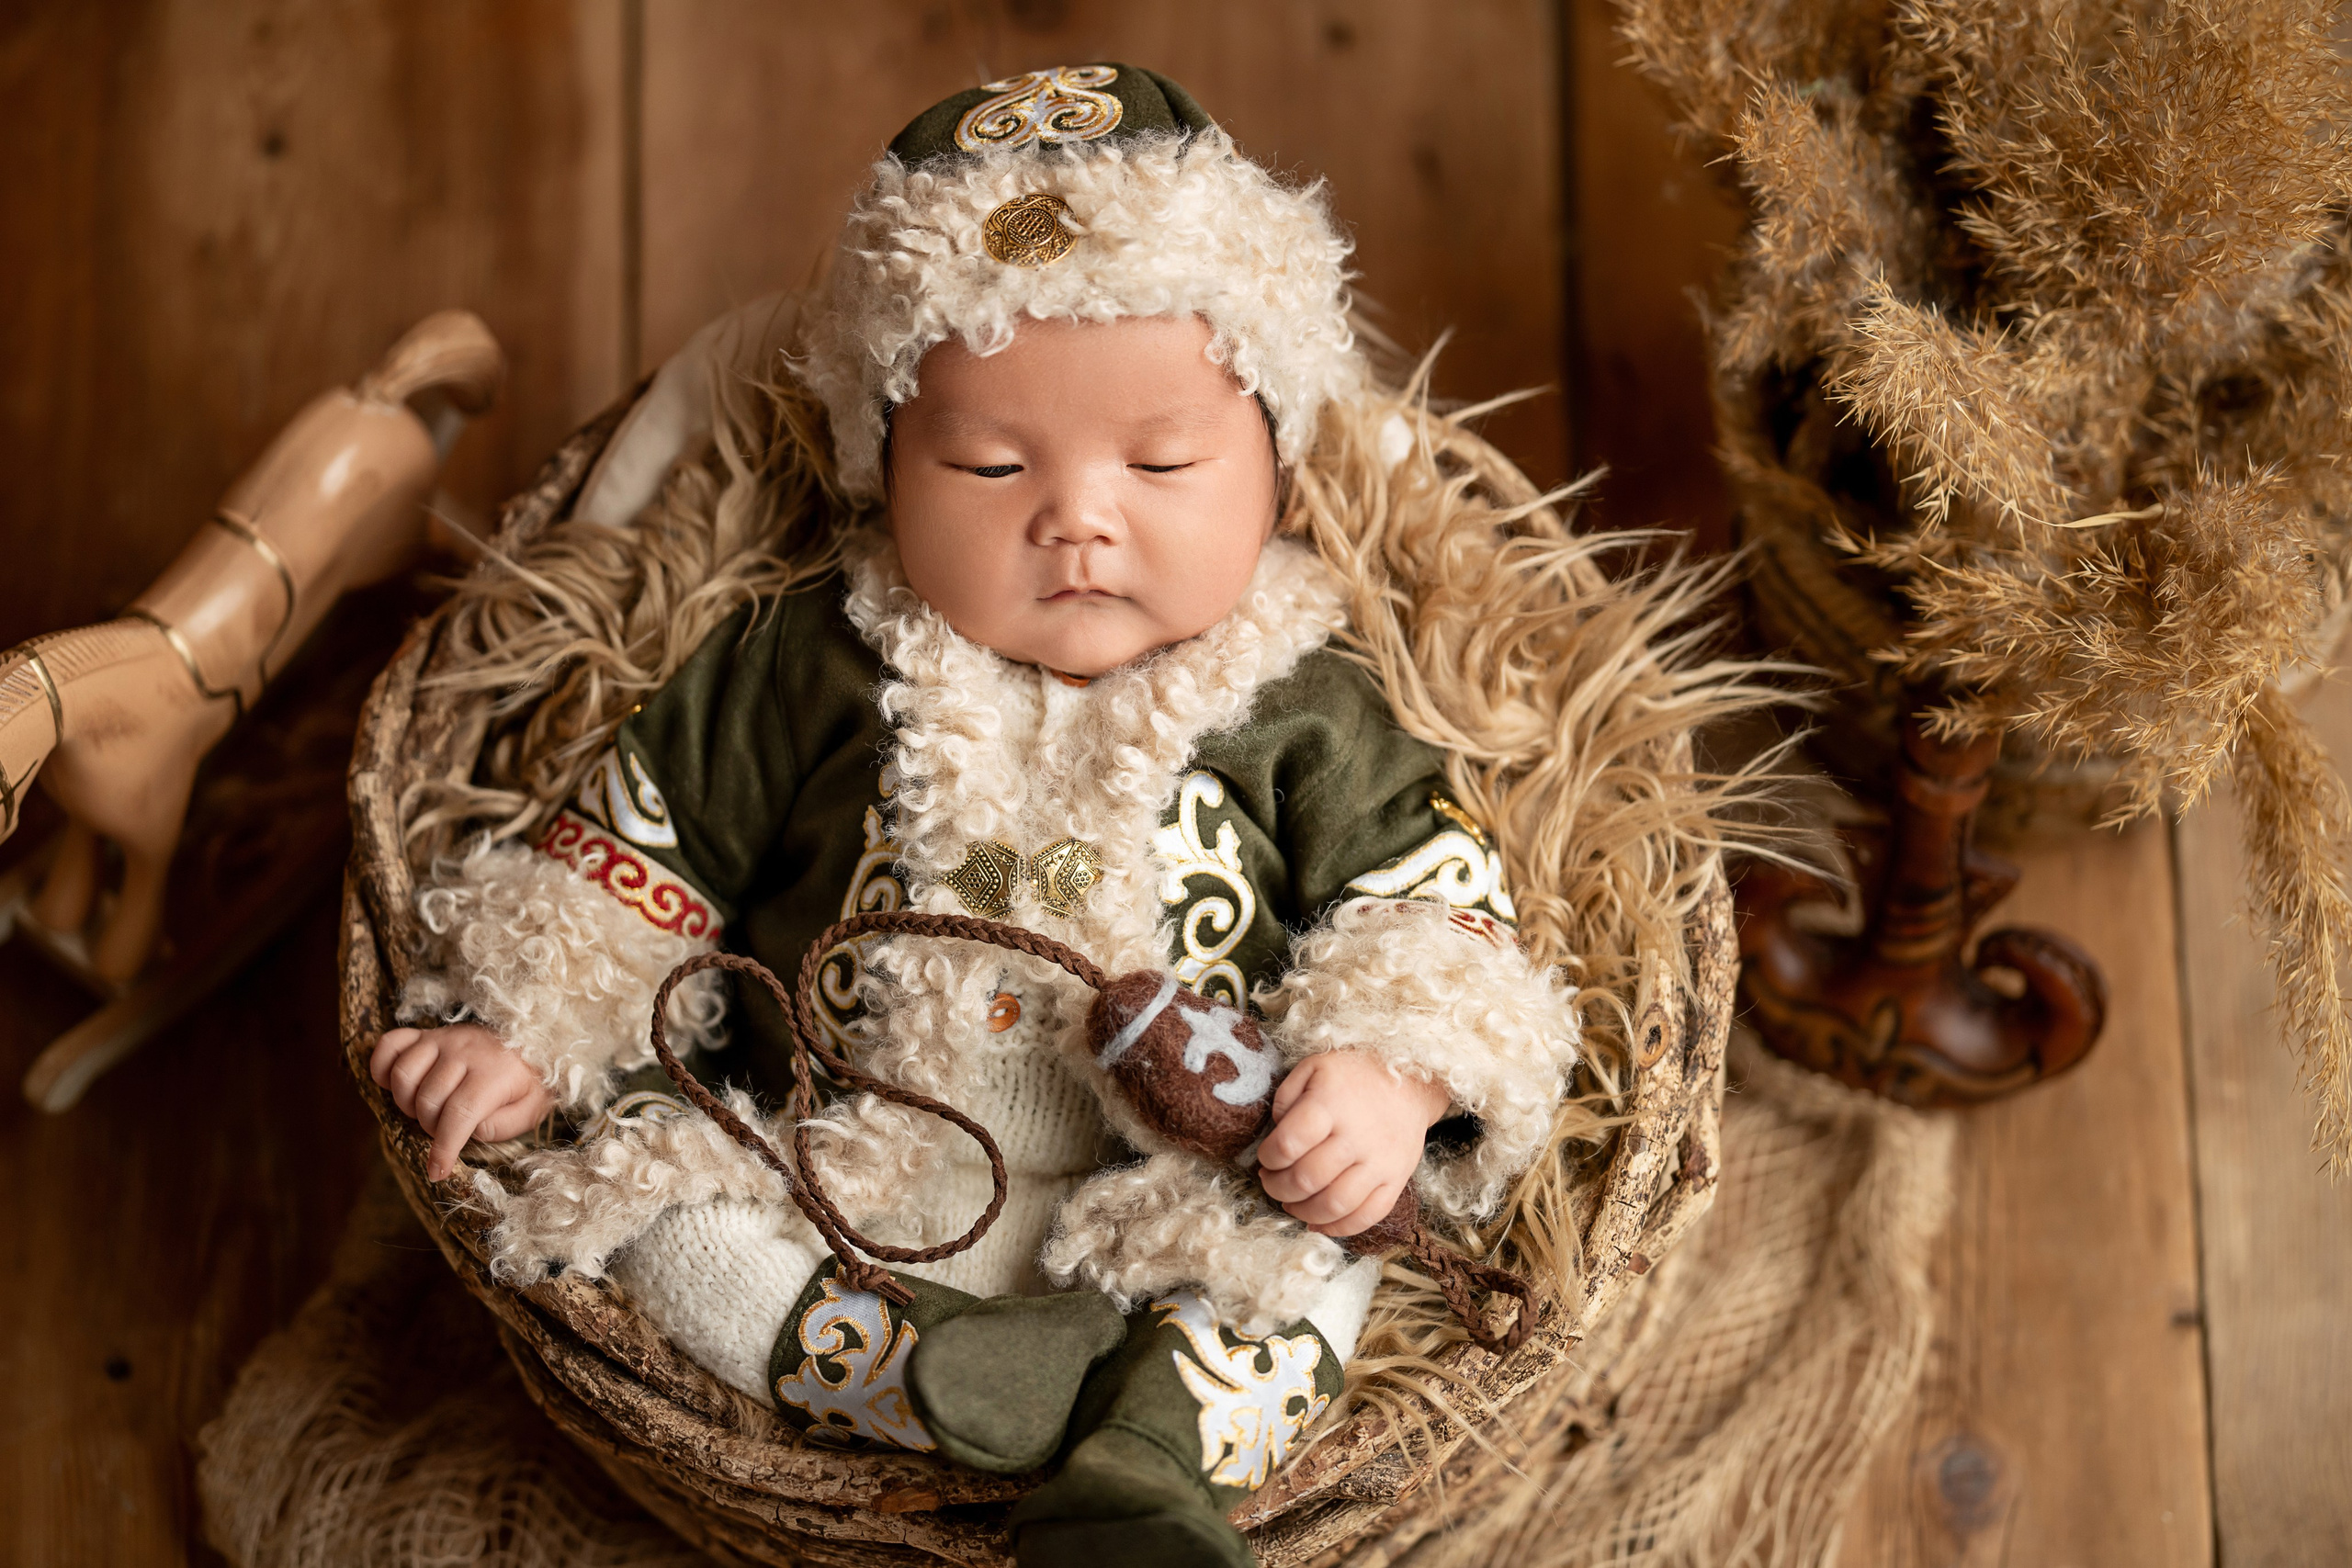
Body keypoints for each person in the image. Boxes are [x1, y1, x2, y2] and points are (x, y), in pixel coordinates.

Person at [369, 64, 1576, 1567]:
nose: (1077, 513)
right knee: (655, 1216)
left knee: (1318, 1254)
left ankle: (1149, 1458)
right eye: (991, 464)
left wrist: (1388, 1079)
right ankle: (939, 1382)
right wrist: (520, 1022)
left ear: (1277, 468)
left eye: (1164, 462)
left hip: (1188, 1178)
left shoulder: (1306, 700)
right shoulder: (806, 656)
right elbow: (642, 841)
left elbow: (1428, 902)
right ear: (880, 465)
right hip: (847, 1178)